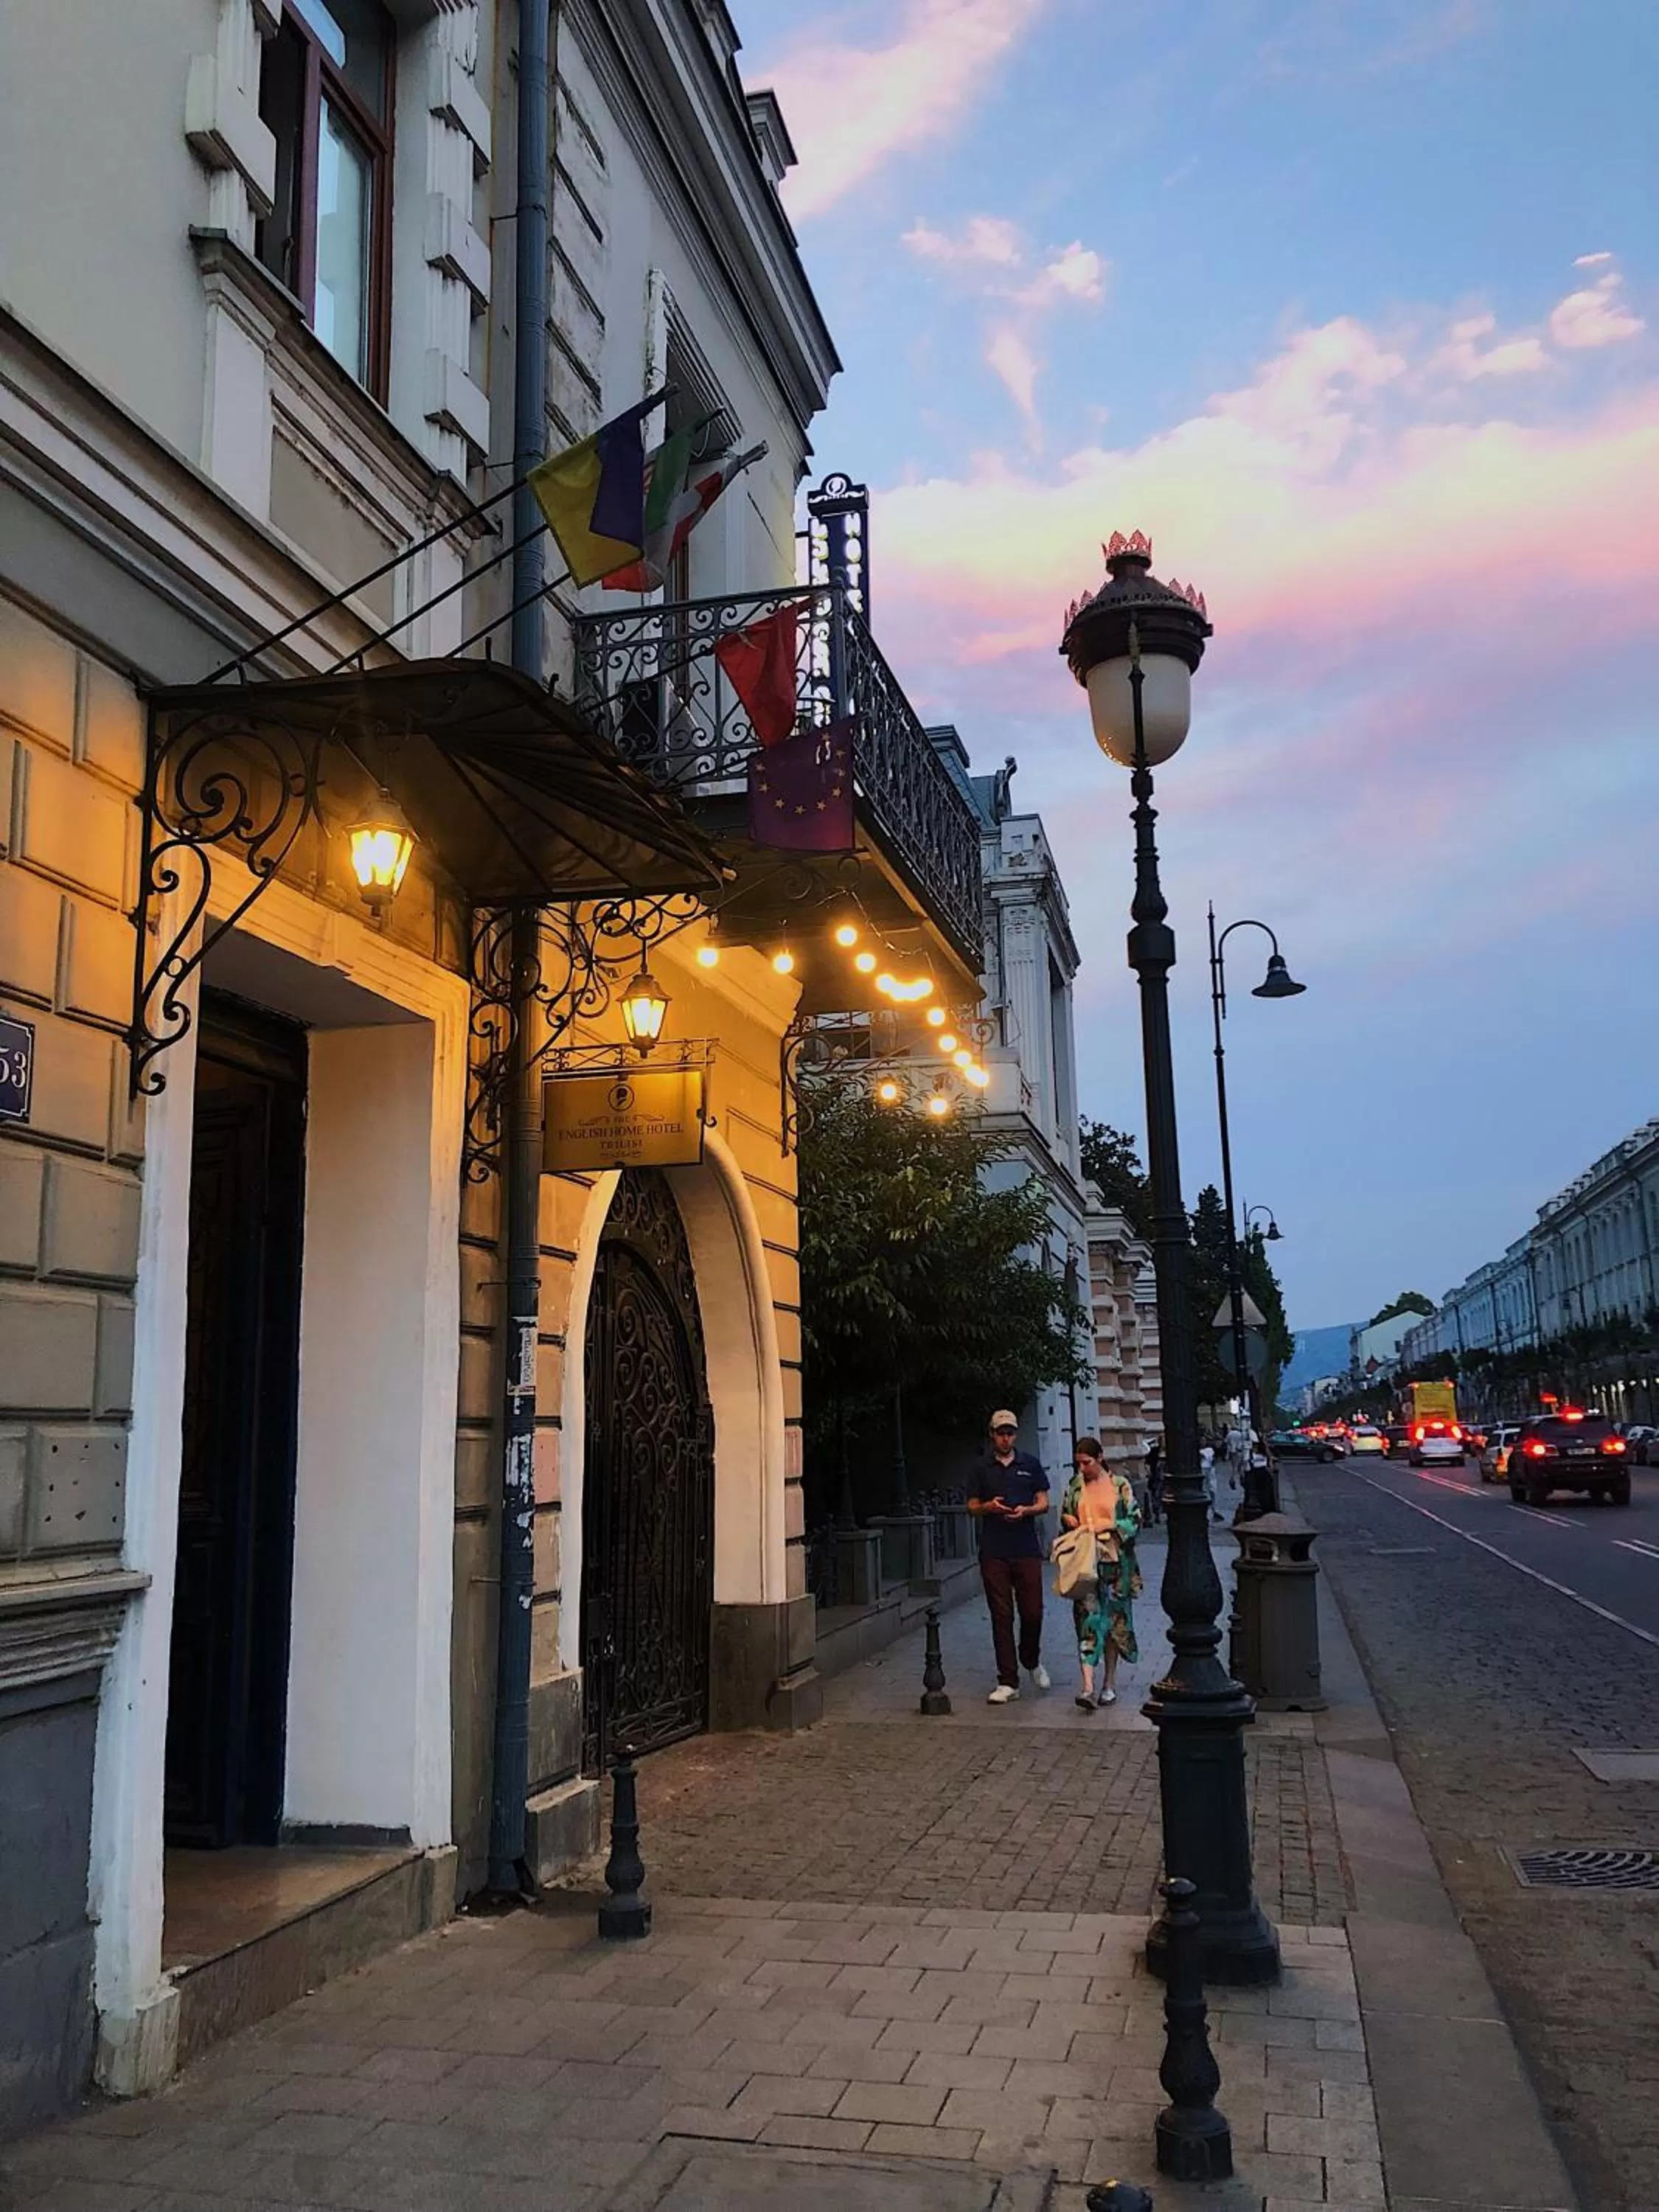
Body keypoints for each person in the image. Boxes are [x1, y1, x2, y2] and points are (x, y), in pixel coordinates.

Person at [967, 1410, 1051, 1705]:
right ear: (992, 1435)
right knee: (1001, 1615)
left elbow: (1044, 1501)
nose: (1006, 1438)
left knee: (1033, 1612)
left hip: (1026, 1547)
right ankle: (1007, 1680)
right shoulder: (981, 1467)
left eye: (1010, 1433)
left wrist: (1027, 1511)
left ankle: (1031, 1658)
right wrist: (988, 1507)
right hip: (994, 1550)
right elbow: (972, 1505)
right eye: (1001, 1433)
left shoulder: (1030, 1464)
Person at [1060, 1438, 1141, 1709]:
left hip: (1116, 1564)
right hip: (1086, 1562)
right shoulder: (1075, 1486)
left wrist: (1111, 1526)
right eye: (1079, 1463)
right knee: (1088, 1620)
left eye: (1087, 1463)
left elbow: (1135, 1519)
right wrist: (1069, 1521)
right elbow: (1066, 1515)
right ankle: (1088, 1687)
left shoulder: (1120, 1485)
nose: (1082, 1468)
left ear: (1100, 1458)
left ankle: (1109, 1684)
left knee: (1114, 1624)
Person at [1142, 1436, 1164, 1526]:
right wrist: (1149, 1472)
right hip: (1156, 1478)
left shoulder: (1171, 1452)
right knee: (1156, 1496)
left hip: (1167, 1478)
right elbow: (1147, 1462)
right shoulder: (1154, 1451)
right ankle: (1157, 1515)